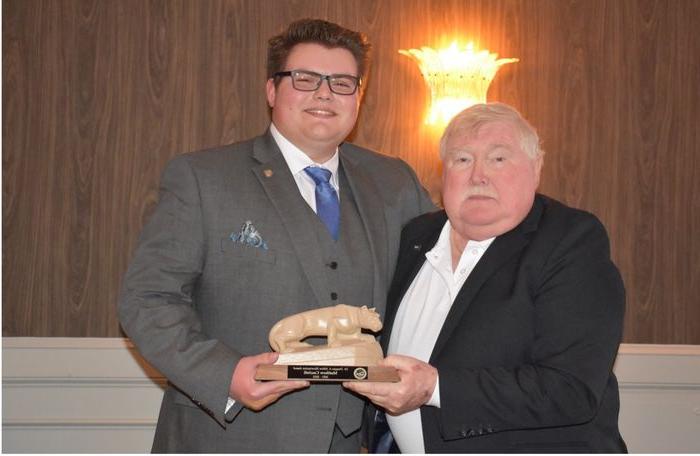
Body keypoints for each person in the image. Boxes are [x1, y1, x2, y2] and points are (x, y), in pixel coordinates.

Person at [118, 18, 434, 453]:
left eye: (342, 82)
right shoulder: (203, 178)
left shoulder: (395, 183)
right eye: (304, 79)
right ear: (272, 90)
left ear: (358, 96)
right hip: (228, 438)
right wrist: (224, 375)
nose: (324, 93)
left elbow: (440, 287)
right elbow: (148, 299)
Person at [345, 102, 627, 453]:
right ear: (443, 172)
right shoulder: (416, 237)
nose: (478, 175)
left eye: (498, 159)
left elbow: (569, 388)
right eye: (462, 159)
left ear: (535, 168)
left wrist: (435, 388)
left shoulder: (570, 241)